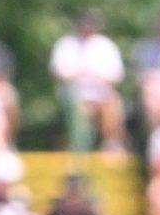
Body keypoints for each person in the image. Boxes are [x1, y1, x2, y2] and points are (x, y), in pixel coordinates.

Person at [49, 10, 126, 152]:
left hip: (102, 93)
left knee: (115, 104)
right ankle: (78, 148)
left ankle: (112, 144)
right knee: (79, 111)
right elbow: (59, 72)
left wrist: (92, 76)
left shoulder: (105, 45)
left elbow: (116, 75)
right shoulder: (66, 45)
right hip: (74, 94)